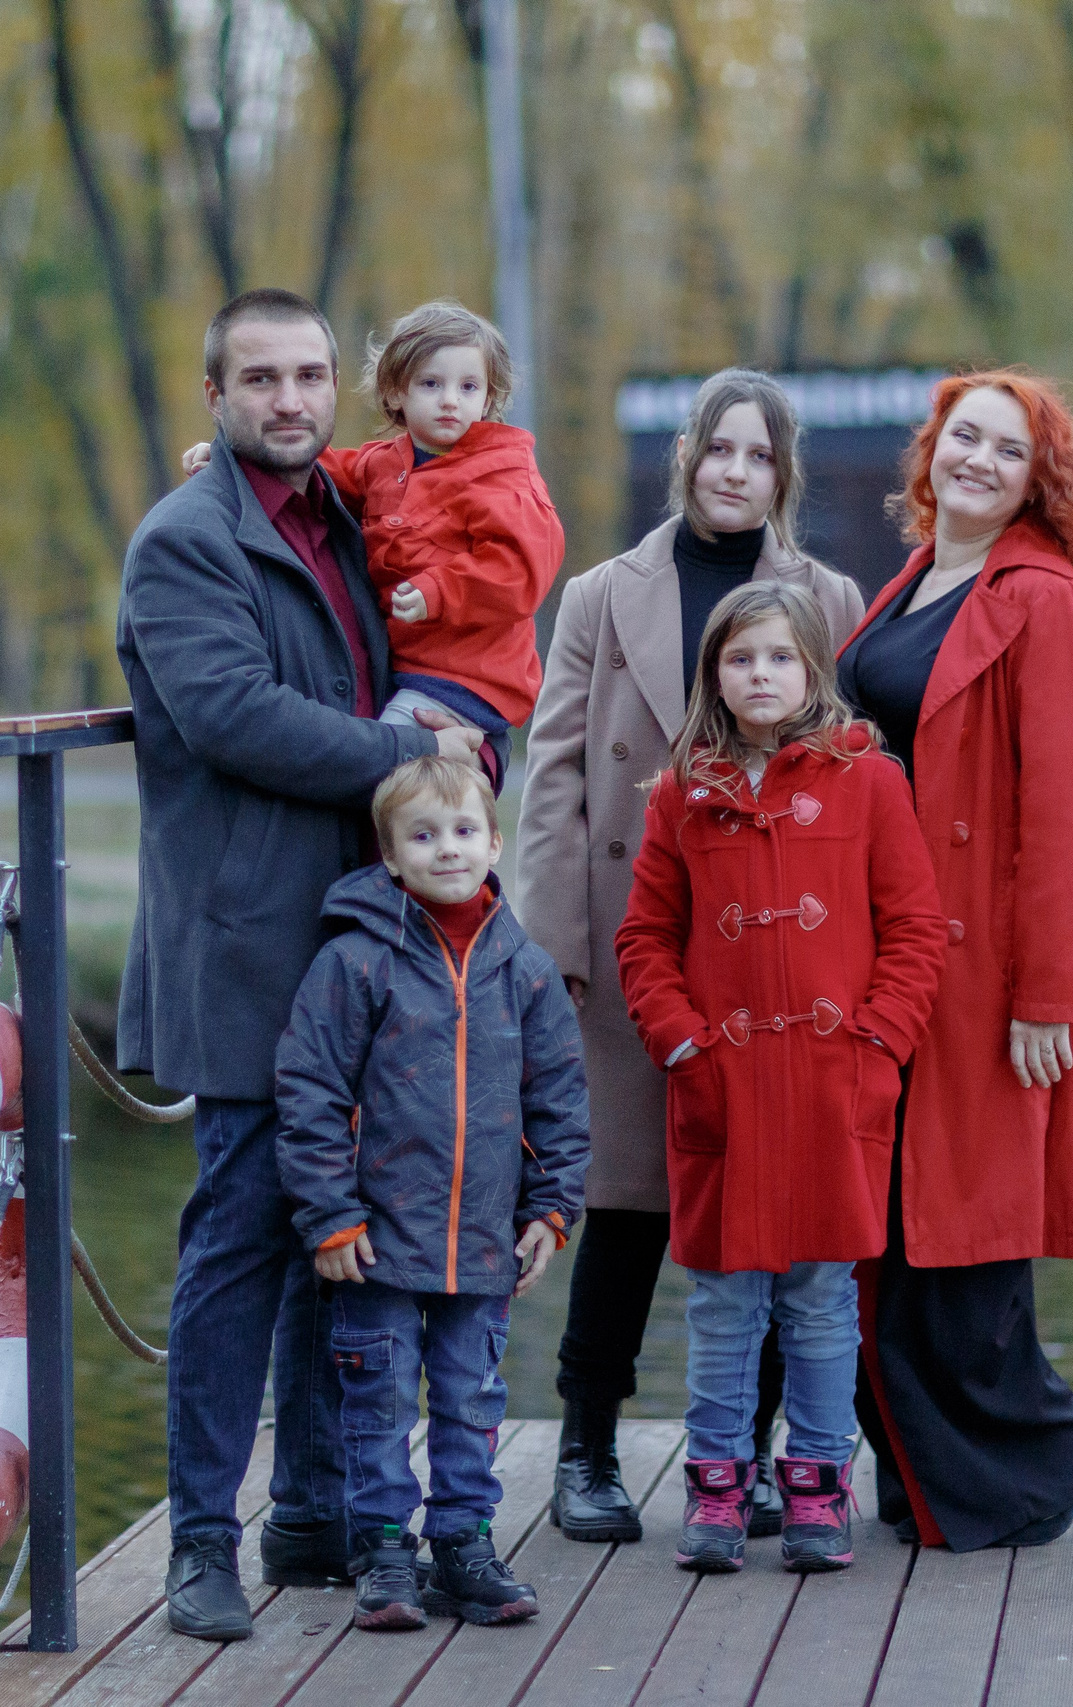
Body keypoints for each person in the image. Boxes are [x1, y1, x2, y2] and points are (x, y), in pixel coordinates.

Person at [117, 287, 485, 1642]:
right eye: (259, 376)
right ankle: (200, 1542)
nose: (288, 397)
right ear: (211, 394)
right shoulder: (182, 545)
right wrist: (418, 754)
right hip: (241, 944)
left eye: (310, 373)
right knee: (241, 1237)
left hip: (355, 943)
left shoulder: (338, 514)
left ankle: (315, 1515)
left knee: (349, 1233)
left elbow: (484, 510)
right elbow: (233, 718)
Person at [516, 370, 868, 1543]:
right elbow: (555, 777)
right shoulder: (600, 598)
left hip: (781, 975)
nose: (733, 471)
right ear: (686, 458)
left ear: (783, 473)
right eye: (717, 449)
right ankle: (586, 1450)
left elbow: (852, 773)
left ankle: (758, 1462)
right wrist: (557, 947)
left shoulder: (827, 597)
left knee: (769, 1214)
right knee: (620, 1208)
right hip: (640, 947)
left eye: (757, 455)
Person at [834, 368, 1073, 1552]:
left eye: (1005, 451)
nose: (975, 460)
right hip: (902, 954)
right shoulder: (919, 581)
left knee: (960, 1230)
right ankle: (938, 1478)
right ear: (930, 452)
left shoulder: (1045, 599)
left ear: (1037, 481)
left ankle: (1023, 1469)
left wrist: (1044, 997)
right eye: (961, 437)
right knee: (899, 1227)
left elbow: (1065, 816)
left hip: (990, 964)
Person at [613, 582, 948, 1573]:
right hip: (720, 1090)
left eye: (778, 658)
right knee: (721, 1305)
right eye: (738, 659)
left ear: (813, 672)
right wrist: (682, 1045)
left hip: (833, 1092)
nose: (758, 675)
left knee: (820, 1301)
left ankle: (816, 1487)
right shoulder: (684, 793)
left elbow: (916, 931)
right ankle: (716, 1489)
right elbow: (644, 939)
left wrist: (879, 1043)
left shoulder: (869, 783)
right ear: (714, 675)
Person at [274, 754, 590, 1630]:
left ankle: (464, 1545)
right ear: (391, 857)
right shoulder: (353, 962)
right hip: (376, 1240)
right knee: (376, 1396)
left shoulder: (523, 970)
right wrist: (330, 1213)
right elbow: (310, 1090)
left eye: (462, 831)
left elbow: (559, 1095)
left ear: (494, 842)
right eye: (423, 834)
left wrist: (553, 1210)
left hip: (486, 1238)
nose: (446, 849)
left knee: (470, 1396)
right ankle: (384, 1550)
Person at [183, 299, 566, 790]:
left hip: (466, 676)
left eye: (468, 387)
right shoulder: (389, 463)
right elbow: (324, 467)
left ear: (490, 397)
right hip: (414, 668)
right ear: (396, 392)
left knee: (390, 780)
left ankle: (419, 858)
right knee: (399, 779)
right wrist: (227, 453)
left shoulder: (501, 475)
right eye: (431, 384)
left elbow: (519, 571)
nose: (450, 400)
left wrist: (438, 591)